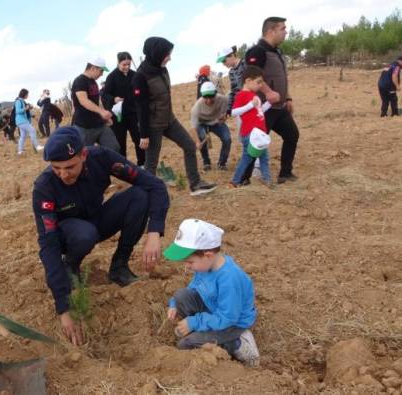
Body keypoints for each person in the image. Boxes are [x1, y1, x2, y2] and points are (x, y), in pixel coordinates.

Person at [32, 127, 169, 345]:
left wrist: (154, 232)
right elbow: (48, 245)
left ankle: (119, 266)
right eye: (56, 168)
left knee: (139, 196)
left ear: (84, 155)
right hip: (70, 235)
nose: (63, 174)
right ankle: (72, 266)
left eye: (69, 167)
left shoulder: (102, 158)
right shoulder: (44, 187)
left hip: (97, 220)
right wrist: (63, 307)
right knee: (85, 234)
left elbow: (155, 185)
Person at [163, 219, 259, 366]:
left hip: (232, 324)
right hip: (214, 311)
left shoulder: (229, 279)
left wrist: (194, 322)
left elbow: (228, 317)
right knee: (180, 296)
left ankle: (238, 343)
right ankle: (201, 332)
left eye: (190, 262)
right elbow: (193, 287)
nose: (187, 267)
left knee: (185, 344)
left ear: (208, 255)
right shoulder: (206, 266)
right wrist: (174, 304)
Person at [133, 37, 217, 196]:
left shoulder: (162, 69)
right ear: (156, 53)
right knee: (151, 164)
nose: (169, 58)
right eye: (167, 54)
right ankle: (146, 198)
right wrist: (144, 134)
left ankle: (196, 184)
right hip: (153, 126)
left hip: (169, 120)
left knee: (190, 146)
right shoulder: (140, 77)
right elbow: (141, 108)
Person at [244, 16, 299, 184]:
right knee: (256, 145)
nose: (286, 32)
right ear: (270, 31)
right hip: (264, 109)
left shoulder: (276, 52)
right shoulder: (257, 51)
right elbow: (252, 75)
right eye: (283, 29)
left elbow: (280, 77)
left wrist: (287, 97)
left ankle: (285, 174)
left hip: (279, 108)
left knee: (292, 135)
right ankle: (243, 179)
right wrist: (267, 92)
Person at [229, 66, 273, 188]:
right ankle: (236, 181)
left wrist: (269, 103)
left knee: (262, 157)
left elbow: (259, 111)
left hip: (259, 134)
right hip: (250, 133)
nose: (260, 85)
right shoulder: (242, 95)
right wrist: (249, 105)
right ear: (248, 81)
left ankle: (267, 180)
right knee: (248, 158)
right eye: (258, 82)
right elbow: (233, 112)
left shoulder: (255, 96)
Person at [102, 51, 144, 166]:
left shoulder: (135, 75)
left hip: (133, 114)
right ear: (118, 63)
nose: (126, 67)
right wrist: (113, 99)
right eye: (124, 64)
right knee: (120, 142)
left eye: (128, 64)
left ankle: (142, 163)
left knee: (138, 138)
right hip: (118, 116)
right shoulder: (111, 77)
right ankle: (123, 166)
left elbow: (140, 92)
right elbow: (105, 94)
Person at [71, 58, 120, 152]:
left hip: (99, 124)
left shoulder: (93, 82)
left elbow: (98, 101)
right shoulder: (79, 81)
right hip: (83, 126)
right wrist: (101, 112)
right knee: (83, 154)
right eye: (101, 71)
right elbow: (83, 100)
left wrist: (105, 115)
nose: (102, 74)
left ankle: (109, 165)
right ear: (93, 68)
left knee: (114, 148)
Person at [190, 82, 231, 171]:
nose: (208, 100)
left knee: (227, 139)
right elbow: (193, 127)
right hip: (202, 123)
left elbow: (227, 111)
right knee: (202, 138)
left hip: (216, 122)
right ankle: (206, 162)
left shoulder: (223, 99)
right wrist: (197, 142)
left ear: (215, 93)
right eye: (205, 97)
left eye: (211, 96)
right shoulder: (196, 107)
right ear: (202, 96)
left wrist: (224, 117)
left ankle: (222, 163)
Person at [14, 89, 44, 155]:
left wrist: (29, 109)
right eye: (27, 94)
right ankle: (37, 146)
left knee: (23, 136)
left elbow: (25, 112)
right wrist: (26, 108)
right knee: (32, 130)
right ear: (24, 94)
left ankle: (20, 151)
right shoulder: (18, 101)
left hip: (21, 121)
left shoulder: (22, 101)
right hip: (21, 120)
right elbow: (18, 111)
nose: (28, 95)